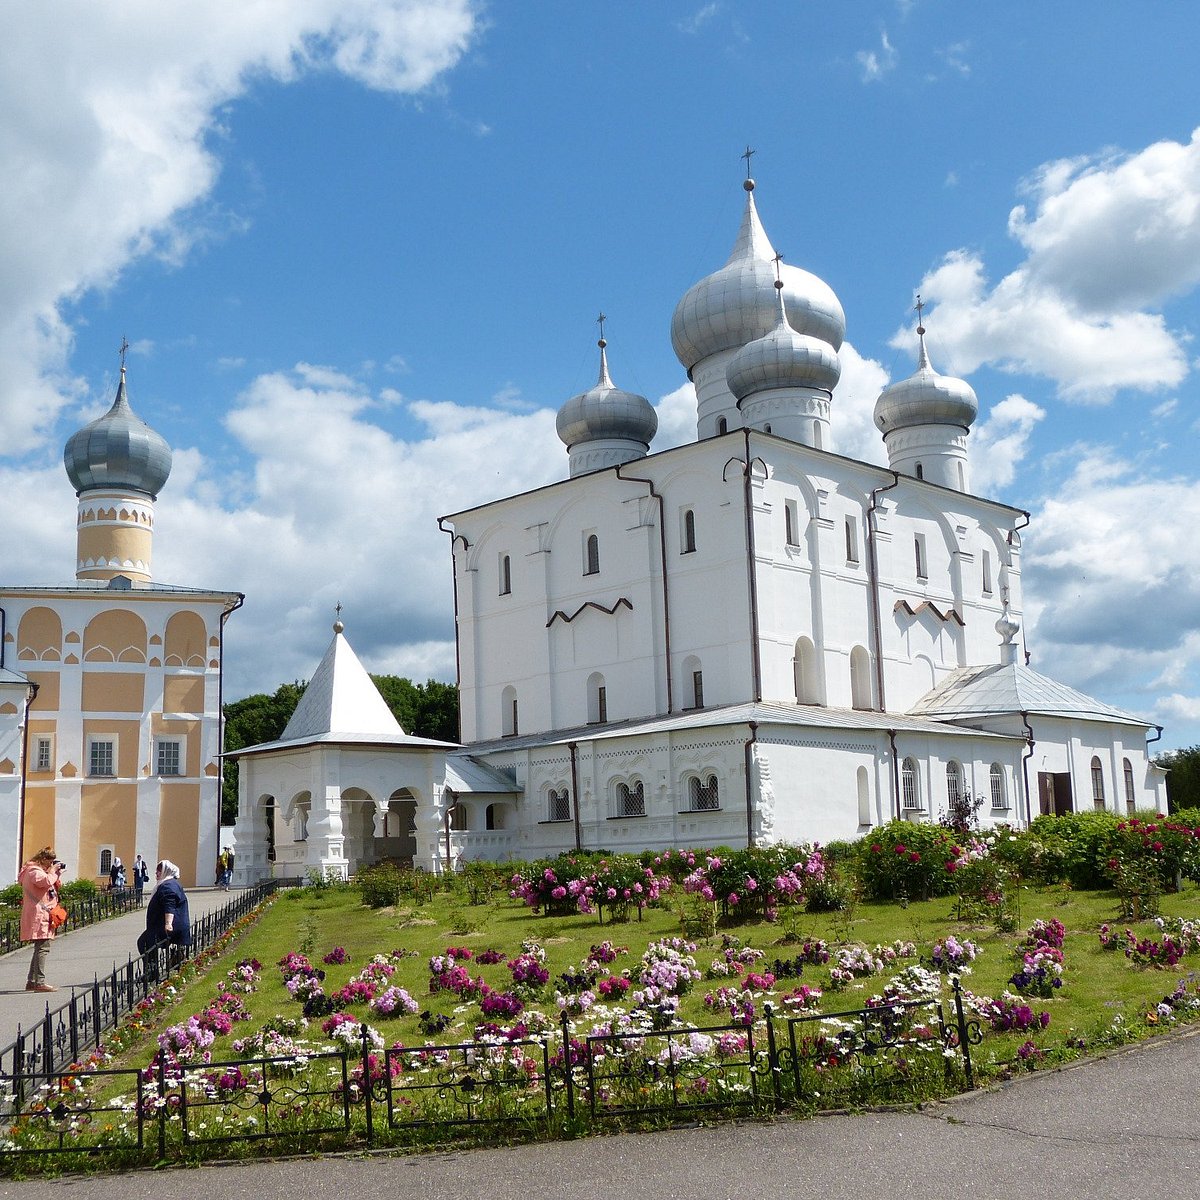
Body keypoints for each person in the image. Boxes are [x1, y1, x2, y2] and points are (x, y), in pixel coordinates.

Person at [19, 847, 65, 993]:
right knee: (43, 948)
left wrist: (56, 874)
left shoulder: (35, 870)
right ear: (43, 859)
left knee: (40, 948)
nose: (50, 865)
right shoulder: (34, 871)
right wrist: (52, 872)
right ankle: (39, 982)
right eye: (49, 862)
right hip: (39, 915)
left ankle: (32, 981)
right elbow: (45, 882)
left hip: (42, 914)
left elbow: (51, 885)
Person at [137, 859, 192, 974]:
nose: (156, 873)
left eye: (159, 871)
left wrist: (168, 923)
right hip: (169, 924)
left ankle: (152, 972)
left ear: (166, 871)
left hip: (170, 926)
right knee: (146, 942)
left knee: (144, 942)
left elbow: (169, 906)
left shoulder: (168, 886)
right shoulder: (169, 883)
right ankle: (153, 970)